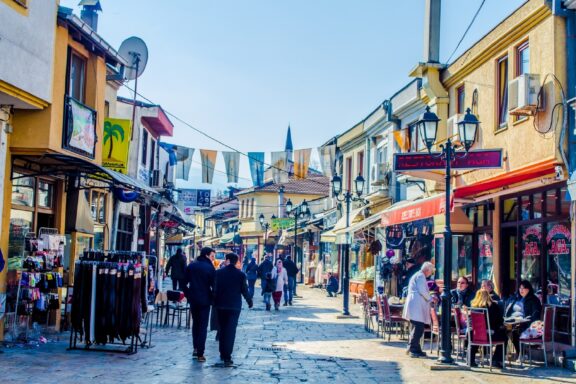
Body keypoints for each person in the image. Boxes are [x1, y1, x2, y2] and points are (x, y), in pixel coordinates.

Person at [213, 253, 253, 367]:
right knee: (230, 331)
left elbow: (214, 290)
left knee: (222, 329)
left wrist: (214, 302)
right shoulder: (240, 275)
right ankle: (227, 356)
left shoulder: (218, 273)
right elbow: (245, 290)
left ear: (227, 260)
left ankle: (222, 352)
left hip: (220, 306)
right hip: (234, 306)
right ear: (235, 261)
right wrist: (249, 301)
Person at [183, 247, 215, 363]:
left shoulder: (192, 266)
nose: (213, 258)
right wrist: (212, 296)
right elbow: (214, 285)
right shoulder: (209, 267)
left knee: (196, 324)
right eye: (212, 256)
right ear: (206, 255)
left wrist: (188, 294)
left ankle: (196, 349)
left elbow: (183, 282)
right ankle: (200, 353)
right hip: (205, 300)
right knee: (202, 326)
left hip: (193, 299)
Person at [402, 262, 438, 358]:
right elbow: (422, 290)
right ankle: (413, 348)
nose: (430, 274)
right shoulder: (421, 276)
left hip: (416, 305)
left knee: (417, 327)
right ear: (427, 270)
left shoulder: (419, 275)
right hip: (416, 305)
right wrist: (431, 299)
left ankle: (415, 348)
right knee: (419, 327)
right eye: (431, 272)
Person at [468, 289, 505, 368]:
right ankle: (496, 360)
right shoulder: (493, 306)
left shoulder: (473, 307)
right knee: (504, 336)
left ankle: (471, 360)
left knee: (476, 335)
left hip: (475, 335)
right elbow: (499, 321)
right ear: (488, 296)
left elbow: (471, 323)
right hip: (489, 336)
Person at [504, 280, 542, 356]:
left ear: (528, 289)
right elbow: (507, 307)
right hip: (513, 320)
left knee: (515, 332)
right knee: (504, 330)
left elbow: (535, 315)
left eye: (523, 288)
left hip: (528, 324)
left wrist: (525, 320)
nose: (521, 290)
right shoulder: (516, 298)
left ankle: (522, 353)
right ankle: (502, 356)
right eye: (520, 288)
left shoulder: (534, 300)